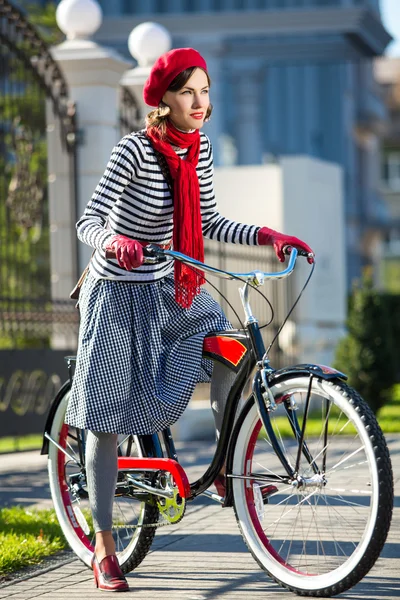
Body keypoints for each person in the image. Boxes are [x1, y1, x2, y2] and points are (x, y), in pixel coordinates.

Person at [65, 47, 314, 592]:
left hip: (169, 289)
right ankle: (104, 543)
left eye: (205, 91)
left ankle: (226, 472)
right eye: (187, 92)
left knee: (231, 348)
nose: (200, 103)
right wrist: (117, 242)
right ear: (164, 100)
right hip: (116, 293)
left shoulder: (196, 152)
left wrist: (268, 236)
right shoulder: (132, 151)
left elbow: (208, 220)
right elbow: (88, 221)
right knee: (106, 419)